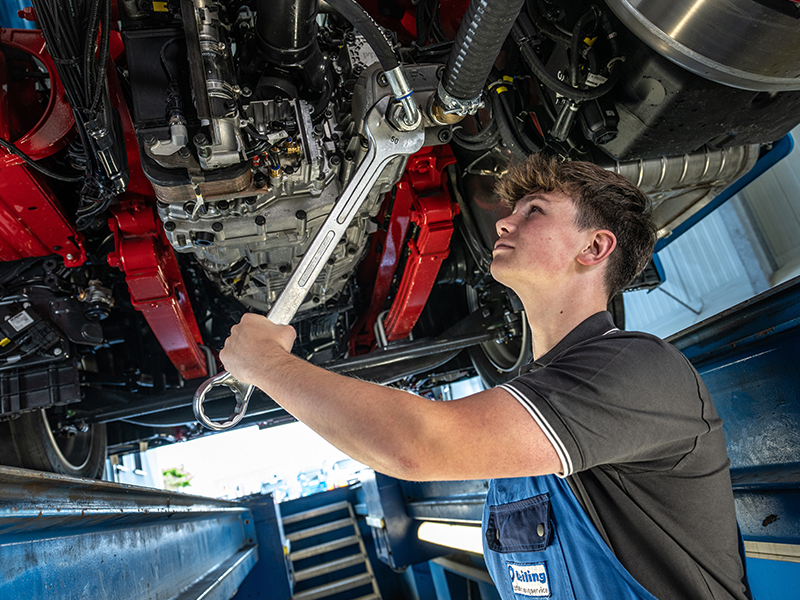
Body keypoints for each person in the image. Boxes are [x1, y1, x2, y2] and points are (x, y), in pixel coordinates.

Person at [220, 154, 750, 600]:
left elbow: (415, 444)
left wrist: (267, 365)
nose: (503, 222)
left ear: (594, 249)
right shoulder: (527, 404)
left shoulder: (638, 368)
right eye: (514, 210)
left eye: (534, 211)